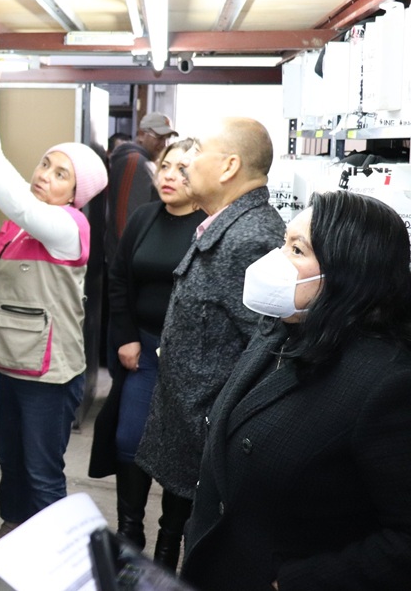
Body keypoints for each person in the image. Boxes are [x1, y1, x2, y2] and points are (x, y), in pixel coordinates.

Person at [182, 191, 411, 590]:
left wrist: (297, 581)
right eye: (282, 243)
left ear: (347, 273)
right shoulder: (281, 328)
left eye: (297, 250)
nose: (276, 260)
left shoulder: (386, 383)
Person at [0, 107, 108, 558]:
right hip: (12, 361)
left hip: (50, 374)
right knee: (9, 460)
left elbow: (16, 199)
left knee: (42, 472)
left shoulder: (68, 227)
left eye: (60, 174)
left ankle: (53, 565)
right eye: (45, 164)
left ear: (77, 193)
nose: (45, 175)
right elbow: (14, 180)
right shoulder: (21, 226)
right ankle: (12, 529)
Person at [134, 117, 285, 570]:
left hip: (216, 440)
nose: (186, 165)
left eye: (199, 154)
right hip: (199, 427)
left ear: (228, 167)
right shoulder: (226, 225)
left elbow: (266, 356)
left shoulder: (251, 237)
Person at [88, 139, 206, 553]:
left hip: (190, 360)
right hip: (142, 351)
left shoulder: (211, 225)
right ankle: (129, 530)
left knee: (181, 450)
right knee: (128, 439)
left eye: (184, 169)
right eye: (167, 166)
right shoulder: (144, 218)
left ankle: (170, 538)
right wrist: (127, 337)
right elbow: (119, 279)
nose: (171, 175)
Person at [106, 112, 178, 264]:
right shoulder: (135, 162)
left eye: (166, 138)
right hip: (130, 261)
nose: (163, 144)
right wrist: (130, 263)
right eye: (158, 137)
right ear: (140, 135)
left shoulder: (143, 161)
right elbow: (125, 219)